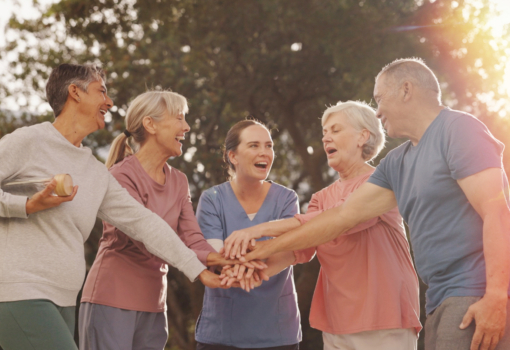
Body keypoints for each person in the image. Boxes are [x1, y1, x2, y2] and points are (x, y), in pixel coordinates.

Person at [242, 58, 510, 350]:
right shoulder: (396, 163)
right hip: (438, 299)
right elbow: (342, 216)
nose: (378, 111)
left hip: (474, 290)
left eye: (380, 99)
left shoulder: (459, 130)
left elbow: (497, 210)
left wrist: (497, 295)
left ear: (406, 90)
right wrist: (261, 249)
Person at [0, 64, 223, 350]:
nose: (110, 102)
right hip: (19, 291)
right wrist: (27, 205)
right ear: (75, 92)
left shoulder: (94, 172)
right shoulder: (30, 141)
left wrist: (198, 269)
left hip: (65, 299)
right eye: (101, 91)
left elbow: (146, 224)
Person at [224, 101, 421, 350]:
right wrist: (248, 269)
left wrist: (258, 230)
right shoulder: (320, 198)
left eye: (335, 130)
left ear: (363, 136)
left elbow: (338, 222)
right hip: (336, 323)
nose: (326, 137)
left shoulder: (381, 182)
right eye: (324, 132)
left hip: (384, 317)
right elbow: (300, 246)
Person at [79, 91, 259, 350]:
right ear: (150, 125)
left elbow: (192, 237)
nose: (186, 127)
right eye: (179, 119)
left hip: (154, 303)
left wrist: (224, 262)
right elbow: (146, 238)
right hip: (112, 298)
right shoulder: (120, 177)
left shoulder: (179, 181)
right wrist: (203, 269)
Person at [194, 120, 302, 350]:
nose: (264, 152)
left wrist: (240, 260)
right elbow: (215, 256)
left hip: (277, 333)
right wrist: (249, 260)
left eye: (269, 145)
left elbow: (287, 248)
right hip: (220, 335)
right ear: (232, 156)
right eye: (254, 145)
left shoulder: (287, 199)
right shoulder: (212, 199)